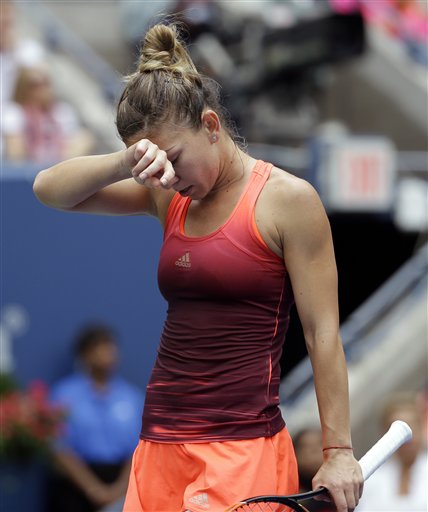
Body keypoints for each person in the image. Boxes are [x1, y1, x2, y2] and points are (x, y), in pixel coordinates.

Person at [33, 23, 363, 512]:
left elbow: (321, 334)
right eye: (151, 162)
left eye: (173, 156)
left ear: (211, 126)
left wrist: (338, 451)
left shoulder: (288, 200)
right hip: (158, 444)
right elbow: (48, 189)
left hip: (241, 450)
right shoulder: (165, 194)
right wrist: (126, 164)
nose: (166, 172)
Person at [46, 325, 145, 512]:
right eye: (98, 347)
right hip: (75, 486)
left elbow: (138, 449)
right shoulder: (64, 394)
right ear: (84, 354)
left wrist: (118, 491)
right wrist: (93, 489)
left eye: (110, 346)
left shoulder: (131, 397)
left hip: (120, 482)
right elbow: (59, 449)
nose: (107, 353)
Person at [3, 65, 94, 163]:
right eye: (35, 85)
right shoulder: (14, 112)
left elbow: (71, 142)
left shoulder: (62, 111)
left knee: (85, 138)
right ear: (23, 87)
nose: (42, 89)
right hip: (29, 165)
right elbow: (15, 154)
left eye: (46, 83)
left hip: (58, 162)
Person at [357, 392, 428, 511]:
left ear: (421, 429)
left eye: (412, 426)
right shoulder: (369, 478)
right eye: (398, 432)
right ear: (384, 434)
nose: (407, 438)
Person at [293, 427, 336, 511]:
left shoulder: (347, 485)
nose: (314, 451)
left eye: (320, 444)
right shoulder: (289, 495)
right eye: (306, 447)